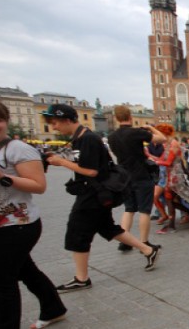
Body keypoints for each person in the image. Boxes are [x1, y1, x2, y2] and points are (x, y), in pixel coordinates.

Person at [0, 98, 66, 329]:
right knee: (24, 269)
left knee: (0, 280)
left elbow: (38, 186)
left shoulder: (19, 149)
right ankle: (53, 308)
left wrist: (0, 176)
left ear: (6, 122)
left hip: (18, 224)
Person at [43, 104, 160, 293]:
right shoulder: (81, 138)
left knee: (77, 232)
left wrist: (62, 162)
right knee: (107, 227)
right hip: (96, 192)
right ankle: (148, 250)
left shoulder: (88, 139)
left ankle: (82, 278)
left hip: (93, 193)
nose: (54, 127)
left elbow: (92, 171)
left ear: (66, 120)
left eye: (55, 122)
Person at [107, 106, 166, 252]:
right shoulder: (135, 133)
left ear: (116, 118)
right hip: (140, 175)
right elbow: (162, 139)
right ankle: (144, 242)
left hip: (124, 177)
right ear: (130, 117)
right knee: (144, 210)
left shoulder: (112, 137)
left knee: (129, 209)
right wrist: (151, 128)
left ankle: (125, 241)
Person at [153, 124, 180, 234]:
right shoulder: (167, 144)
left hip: (172, 176)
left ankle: (171, 226)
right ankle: (169, 220)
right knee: (170, 200)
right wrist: (149, 155)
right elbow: (161, 159)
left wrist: (156, 162)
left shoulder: (173, 144)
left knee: (171, 201)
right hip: (166, 175)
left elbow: (168, 162)